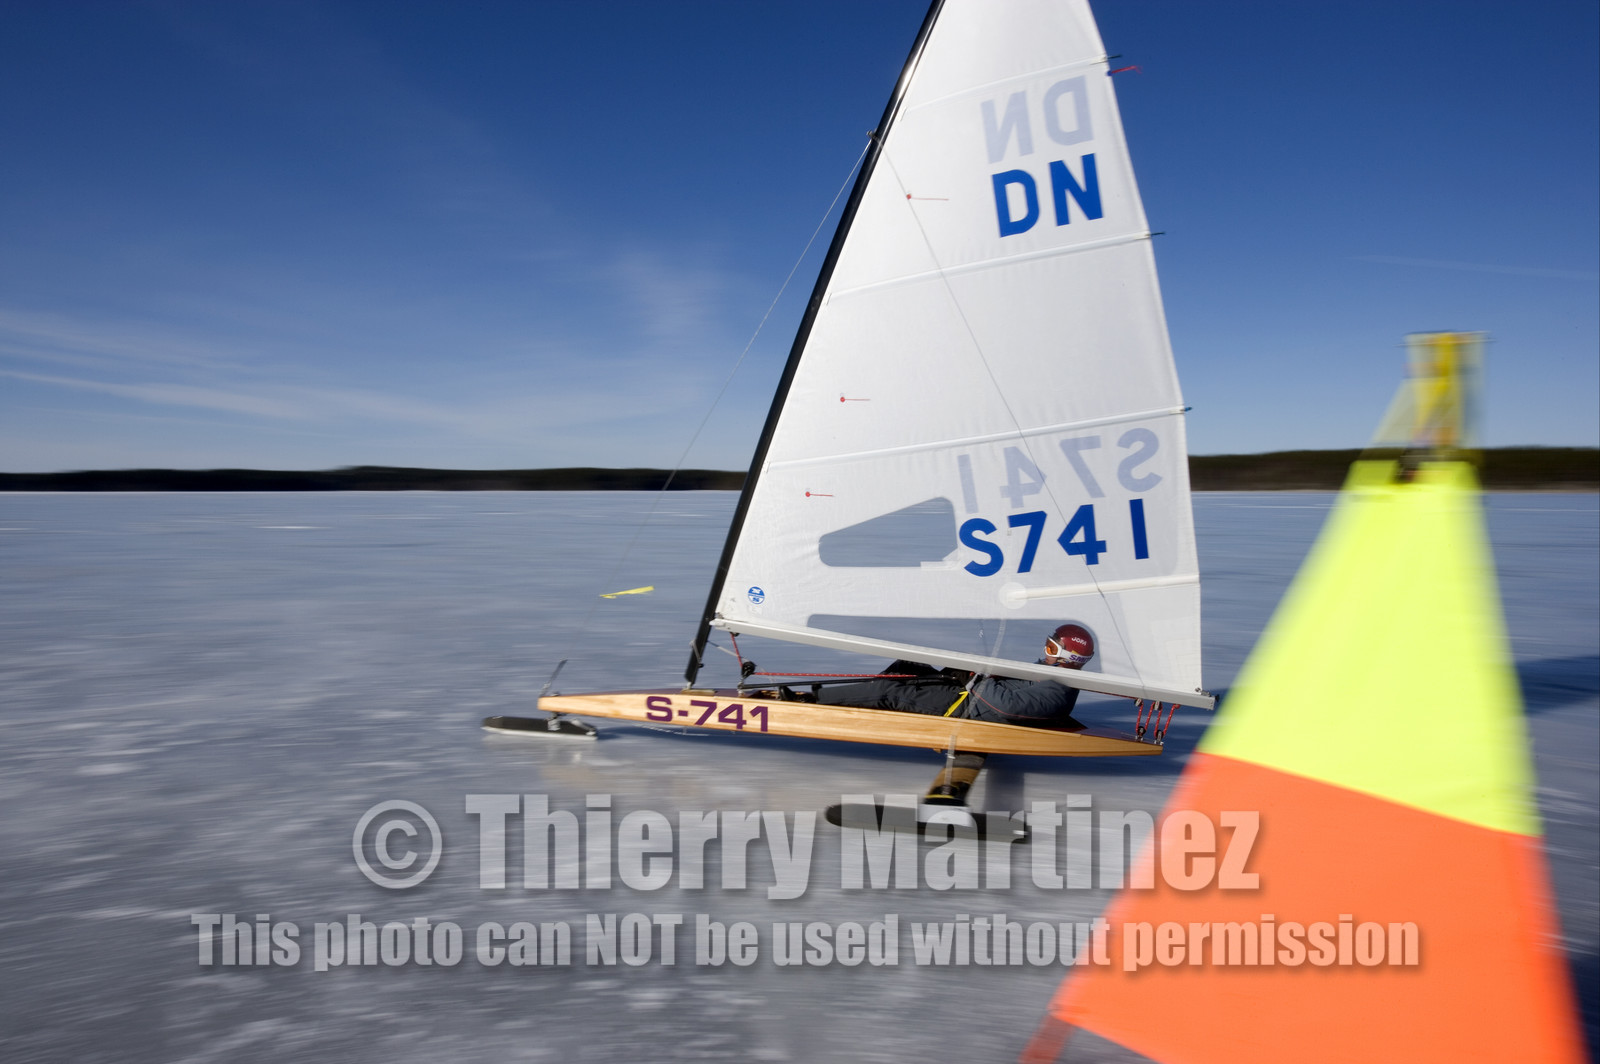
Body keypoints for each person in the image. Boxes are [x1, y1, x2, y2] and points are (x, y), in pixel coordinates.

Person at [811, 623, 1096, 729]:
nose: (1044, 651)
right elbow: (1010, 681)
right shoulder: (1048, 674)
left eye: (1051, 647)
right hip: (969, 694)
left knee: (893, 690)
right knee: (908, 665)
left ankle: (813, 700)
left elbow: (1006, 706)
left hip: (967, 710)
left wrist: (978, 680)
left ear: (1068, 657)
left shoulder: (1058, 692)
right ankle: (856, 706)